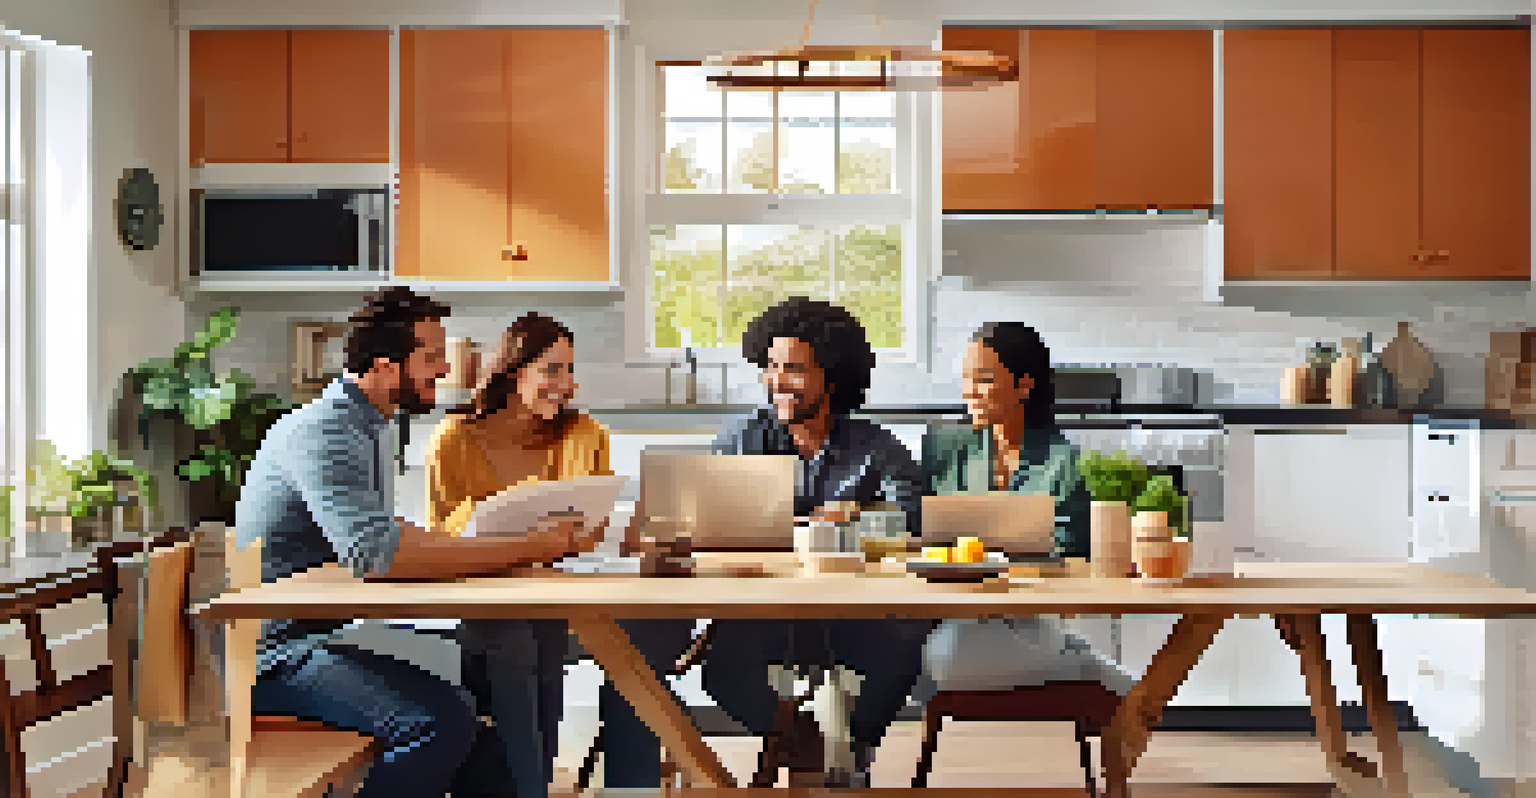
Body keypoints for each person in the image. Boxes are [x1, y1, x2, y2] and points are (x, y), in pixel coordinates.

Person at [234, 288, 593, 798]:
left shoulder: (369, 425)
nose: (445, 367)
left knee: (489, 736)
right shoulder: (326, 432)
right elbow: (379, 554)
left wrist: (500, 544)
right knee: (437, 723)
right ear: (384, 366)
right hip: (275, 656)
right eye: (430, 356)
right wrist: (528, 545)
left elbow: (389, 533)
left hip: (328, 633)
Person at [702, 296, 932, 788]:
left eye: (793, 369)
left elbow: (913, 520)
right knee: (722, 672)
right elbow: (710, 520)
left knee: (902, 653)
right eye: (770, 367)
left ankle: (856, 746)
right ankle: (801, 740)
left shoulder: (876, 448)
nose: (777, 382)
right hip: (765, 610)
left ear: (832, 376)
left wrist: (848, 516)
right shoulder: (741, 439)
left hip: (854, 610)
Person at [425, 312, 609, 798]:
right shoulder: (455, 439)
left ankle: (530, 787)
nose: (566, 384)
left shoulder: (583, 434)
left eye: (569, 370)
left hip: (547, 590)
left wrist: (567, 533)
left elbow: (589, 530)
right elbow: (443, 533)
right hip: (482, 590)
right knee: (511, 645)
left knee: (547, 657)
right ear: (512, 371)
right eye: (552, 369)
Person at [919, 322, 1134, 701]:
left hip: (1028, 612)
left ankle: (1081, 665)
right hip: (959, 608)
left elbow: (1073, 550)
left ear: (1023, 385)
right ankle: (1081, 663)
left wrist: (1001, 558)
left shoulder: (1062, 461)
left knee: (947, 664)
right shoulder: (945, 447)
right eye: (965, 377)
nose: (969, 390)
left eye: (983, 378)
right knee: (916, 659)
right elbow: (921, 525)